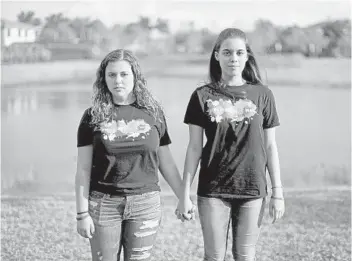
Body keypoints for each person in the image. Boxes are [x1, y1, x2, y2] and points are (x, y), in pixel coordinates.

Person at [177, 28, 285, 261]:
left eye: (239, 52)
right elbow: (194, 148)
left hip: (253, 189)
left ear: (247, 56)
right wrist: (184, 194)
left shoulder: (263, 94)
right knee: (214, 257)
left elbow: (270, 147)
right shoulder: (202, 96)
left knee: (245, 256)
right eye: (227, 52)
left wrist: (278, 192)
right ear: (217, 55)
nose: (233, 58)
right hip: (213, 190)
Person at [74, 49, 193, 261]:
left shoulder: (153, 113)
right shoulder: (92, 117)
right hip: (104, 203)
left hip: (145, 203)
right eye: (111, 75)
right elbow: (83, 169)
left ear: (135, 76)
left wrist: (183, 197)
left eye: (124, 74)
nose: (117, 80)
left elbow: (165, 162)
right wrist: (82, 214)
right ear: (104, 79)